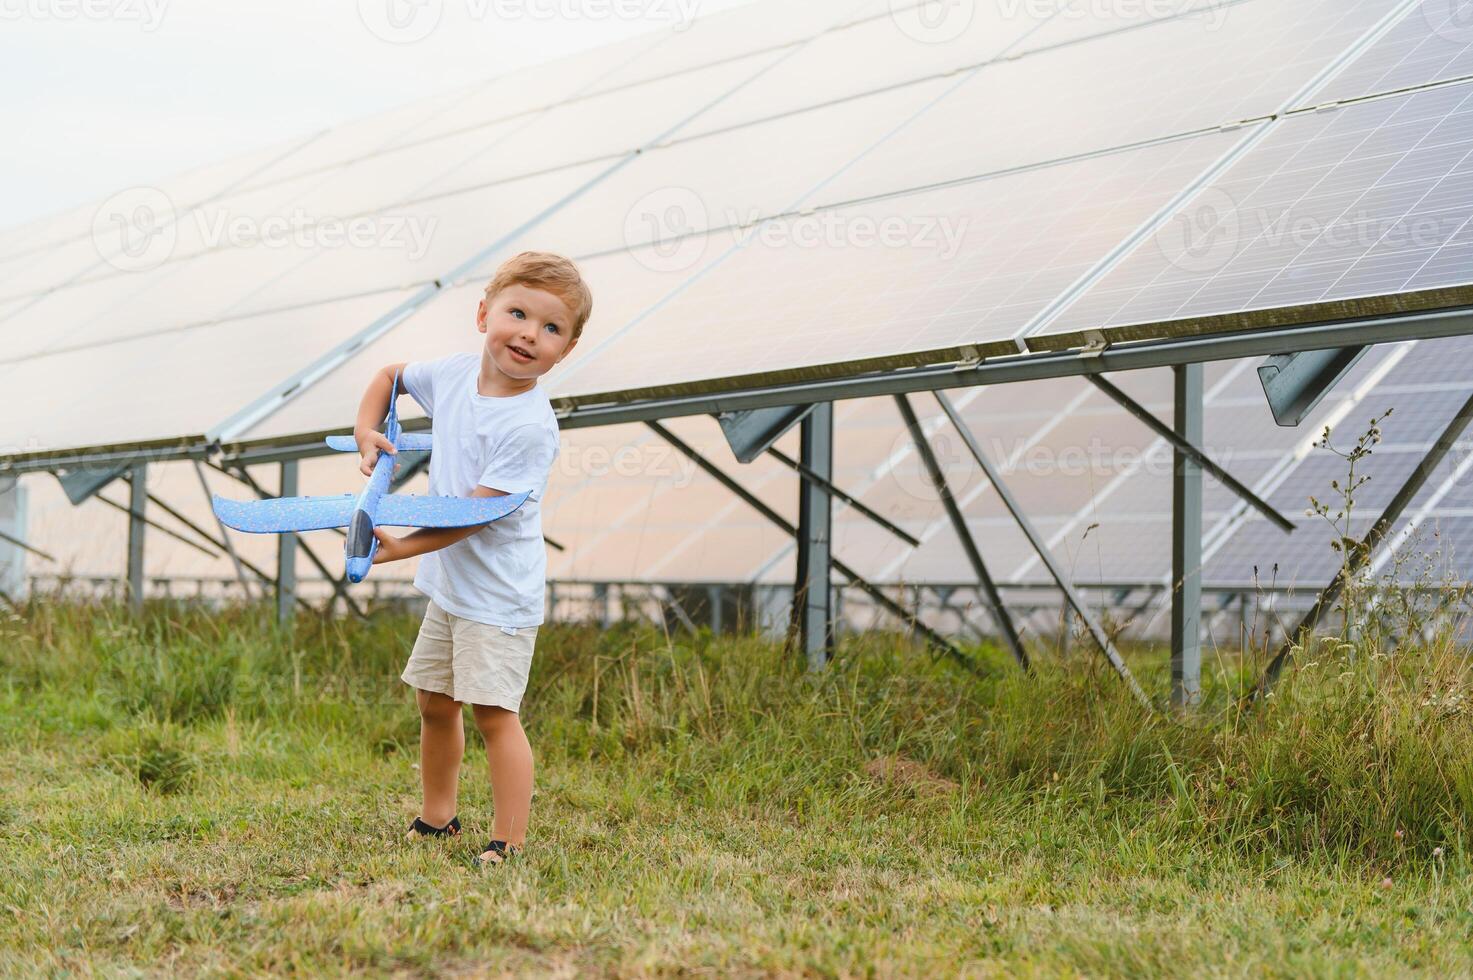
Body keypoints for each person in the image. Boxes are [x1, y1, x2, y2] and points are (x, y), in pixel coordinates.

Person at [352, 251, 590, 867]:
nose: (529, 334)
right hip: (453, 586)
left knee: (494, 713)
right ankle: (438, 818)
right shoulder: (454, 375)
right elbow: (389, 377)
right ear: (484, 313)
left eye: (551, 328)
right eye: (517, 313)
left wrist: (399, 546)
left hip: (497, 596)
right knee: (433, 701)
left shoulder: (529, 427)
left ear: (564, 351)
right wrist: (366, 430)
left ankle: (507, 841)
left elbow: (472, 514)